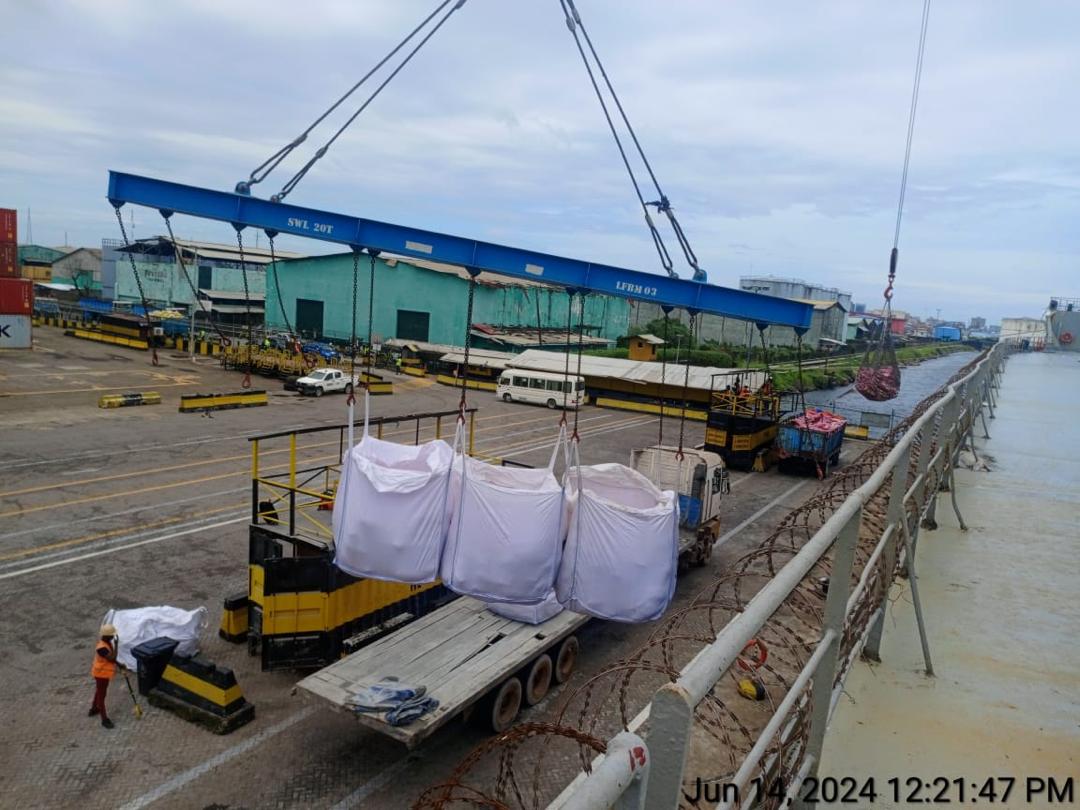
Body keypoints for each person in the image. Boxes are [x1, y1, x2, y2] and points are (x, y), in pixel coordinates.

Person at [89, 624, 118, 729]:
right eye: (111, 635)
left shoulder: (106, 643)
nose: (113, 637)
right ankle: (104, 719)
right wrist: (117, 645)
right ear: (106, 636)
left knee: (99, 691)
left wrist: (120, 665)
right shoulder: (101, 648)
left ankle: (94, 709)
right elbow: (112, 658)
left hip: (103, 674)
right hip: (101, 674)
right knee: (102, 696)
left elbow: (111, 658)